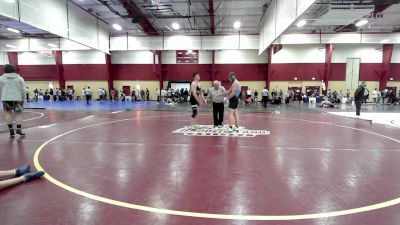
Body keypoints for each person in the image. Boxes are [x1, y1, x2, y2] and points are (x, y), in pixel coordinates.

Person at [0, 64, 27, 137]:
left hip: (6, 98)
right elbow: (23, 89)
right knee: (18, 113)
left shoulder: (1, 78)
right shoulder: (20, 78)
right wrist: (24, 98)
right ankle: (18, 129)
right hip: (18, 99)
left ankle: (11, 130)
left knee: (8, 113)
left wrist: (1, 97)